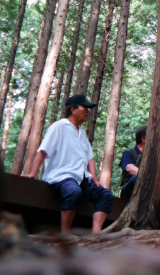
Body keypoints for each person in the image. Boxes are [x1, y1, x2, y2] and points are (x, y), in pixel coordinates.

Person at [25, 94, 113, 233]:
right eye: (85, 107)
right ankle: (65, 235)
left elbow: (89, 157)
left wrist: (94, 177)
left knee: (105, 196)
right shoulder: (59, 126)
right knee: (73, 192)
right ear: (73, 109)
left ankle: (96, 234)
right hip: (62, 176)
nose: (88, 112)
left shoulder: (82, 133)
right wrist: (32, 174)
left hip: (81, 177)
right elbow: (43, 151)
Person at [119, 125, 160, 200]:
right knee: (136, 178)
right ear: (143, 139)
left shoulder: (152, 155)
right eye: (152, 136)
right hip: (129, 189)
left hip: (149, 189)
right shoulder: (129, 152)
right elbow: (129, 168)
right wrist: (149, 176)